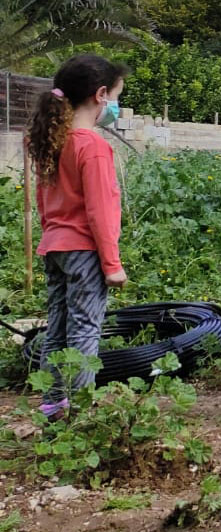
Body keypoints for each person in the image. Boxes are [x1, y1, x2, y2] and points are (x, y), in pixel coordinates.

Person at [27, 54, 130, 420]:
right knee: (85, 330)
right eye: (116, 96)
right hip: (84, 252)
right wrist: (112, 265)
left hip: (54, 248)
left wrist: (52, 234)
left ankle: (53, 405)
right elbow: (99, 213)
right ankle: (80, 412)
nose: (116, 106)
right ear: (101, 95)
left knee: (56, 328)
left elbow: (42, 200)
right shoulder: (93, 146)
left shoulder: (54, 140)